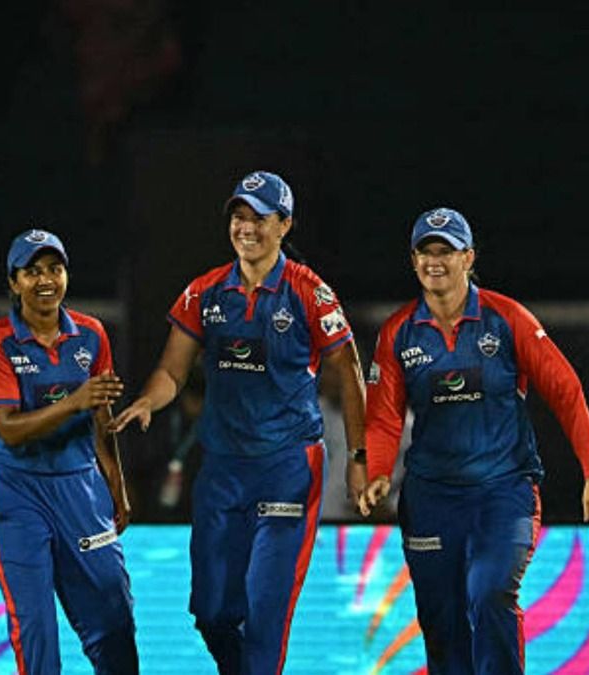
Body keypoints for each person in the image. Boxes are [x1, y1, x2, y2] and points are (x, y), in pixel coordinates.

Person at [113, 171, 367, 674]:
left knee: (265, 615)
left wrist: (359, 459)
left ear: (285, 224)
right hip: (223, 471)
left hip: (288, 465)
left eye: (259, 218)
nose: (245, 227)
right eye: (238, 216)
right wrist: (148, 401)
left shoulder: (308, 291)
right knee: (211, 612)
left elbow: (348, 367)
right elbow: (171, 370)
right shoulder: (205, 292)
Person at [357, 207, 589, 674]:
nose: (435, 261)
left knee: (490, 591)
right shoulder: (398, 332)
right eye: (425, 251)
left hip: (503, 492)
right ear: (414, 259)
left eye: (447, 251)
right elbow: (384, 417)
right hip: (431, 498)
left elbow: (566, 390)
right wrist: (377, 471)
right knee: (442, 621)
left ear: (468, 257)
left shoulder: (506, 318)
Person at [0, 229, 137, 674]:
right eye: (32, 271)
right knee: (36, 626)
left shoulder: (91, 334)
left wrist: (116, 488)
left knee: (113, 616)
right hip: (13, 490)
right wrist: (74, 401)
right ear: (14, 282)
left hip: (80, 486)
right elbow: (8, 430)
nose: (45, 280)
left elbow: (101, 418)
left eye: (54, 268)